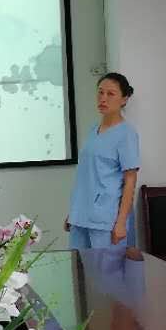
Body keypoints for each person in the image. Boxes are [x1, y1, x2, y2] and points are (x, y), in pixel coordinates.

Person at [66, 73, 141, 250]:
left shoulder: (126, 134)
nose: (103, 98)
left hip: (106, 220)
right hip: (81, 216)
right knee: (78, 266)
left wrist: (121, 223)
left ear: (124, 99)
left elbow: (130, 180)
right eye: (100, 92)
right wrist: (73, 213)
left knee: (106, 267)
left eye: (110, 94)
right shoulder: (94, 130)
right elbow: (86, 176)